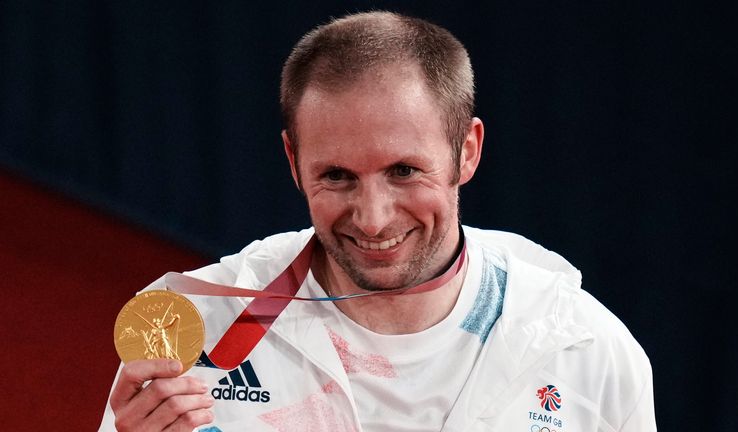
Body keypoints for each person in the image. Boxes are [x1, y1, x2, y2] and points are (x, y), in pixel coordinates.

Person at [100, 11, 656, 431]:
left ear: (467, 151)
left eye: (404, 170)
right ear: (293, 161)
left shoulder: (585, 353)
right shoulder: (192, 328)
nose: (372, 219)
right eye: (337, 176)